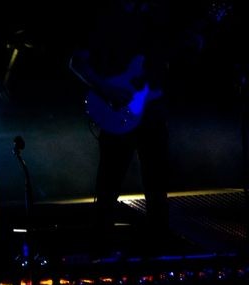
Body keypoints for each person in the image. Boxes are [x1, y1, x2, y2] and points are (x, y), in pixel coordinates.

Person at [69, 1, 213, 254]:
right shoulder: (104, 19)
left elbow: (173, 60)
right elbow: (77, 62)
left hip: (152, 109)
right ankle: (100, 249)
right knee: (109, 184)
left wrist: (193, 45)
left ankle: (158, 249)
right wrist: (107, 88)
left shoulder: (159, 19)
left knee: (156, 185)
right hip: (117, 107)